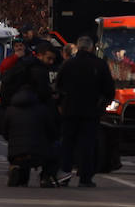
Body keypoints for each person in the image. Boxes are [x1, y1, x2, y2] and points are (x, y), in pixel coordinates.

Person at [53, 35, 115, 188]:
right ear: (91, 48)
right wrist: (102, 106)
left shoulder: (68, 64)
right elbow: (109, 90)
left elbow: (58, 85)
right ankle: (85, 177)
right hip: (91, 111)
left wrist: (61, 103)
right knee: (87, 144)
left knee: (67, 143)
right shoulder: (99, 65)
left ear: (78, 47)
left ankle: (64, 174)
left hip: (70, 110)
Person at [0, 39, 59, 187]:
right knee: (54, 145)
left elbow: (5, 132)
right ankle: (46, 176)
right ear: (39, 56)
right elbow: (52, 129)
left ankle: (17, 170)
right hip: (38, 115)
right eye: (48, 58)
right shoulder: (39, 72)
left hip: (13, 114)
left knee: (20, 145)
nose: (51, 62)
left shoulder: (20, 66)